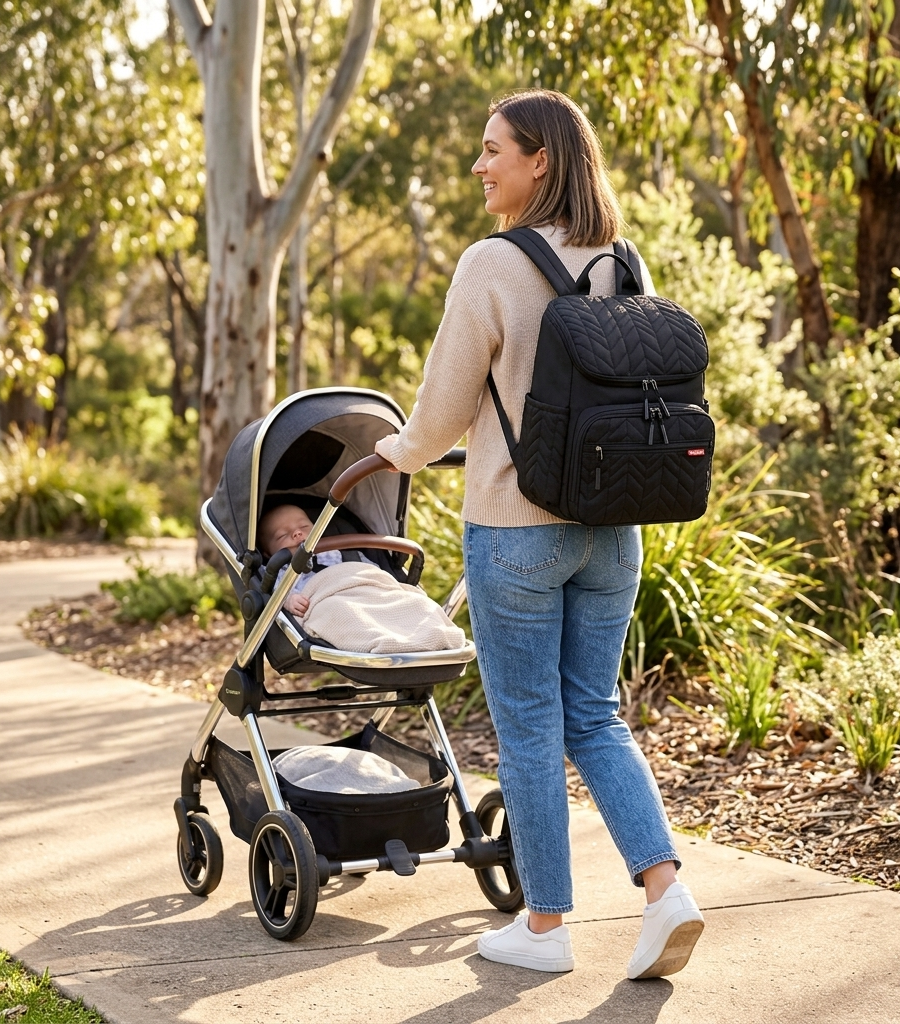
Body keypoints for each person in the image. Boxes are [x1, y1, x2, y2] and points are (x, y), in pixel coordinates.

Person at [374, 90, 704, 979]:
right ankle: (666, 891)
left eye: (493, 150)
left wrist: (395, 450)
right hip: (616, 527)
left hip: (517, 529)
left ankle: (546, 927)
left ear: (540, 160)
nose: (479, 166)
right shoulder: (622, 258)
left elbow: (441, 413)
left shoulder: (492, 262)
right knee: (595, 716)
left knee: (527, 727)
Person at [258, 504, 465, 654]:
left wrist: (384, 586)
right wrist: (288, 600)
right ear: (267, 553)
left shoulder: (343, 550)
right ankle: (383, 641)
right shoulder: (278, 571)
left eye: (304, 526)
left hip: (366, 589)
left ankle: (434, 633)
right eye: (282, 535)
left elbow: (372, 573)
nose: (297, 533)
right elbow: (273, 593)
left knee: (411, 600)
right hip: (326, 601)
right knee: (340, 610)